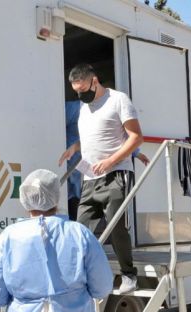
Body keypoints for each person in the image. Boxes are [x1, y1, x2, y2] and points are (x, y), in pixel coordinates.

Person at [0, 169, 113, 312]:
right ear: (56, 197)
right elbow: (102, 287)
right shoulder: (79, 233)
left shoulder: (8, 237)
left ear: (24, 198)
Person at [59, 63, 144, 294]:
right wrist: (75, 147)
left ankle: (129, 275)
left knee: (115, 225)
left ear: (95, 81)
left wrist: (110, 161)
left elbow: (136, 137)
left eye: (84, 88)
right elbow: (94, 136)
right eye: (76, 91)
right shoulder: (84, 108)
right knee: (80, 228)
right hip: (90, 177)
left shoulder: (118, 100)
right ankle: (80, 274)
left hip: (117, 174)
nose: (81, 94)